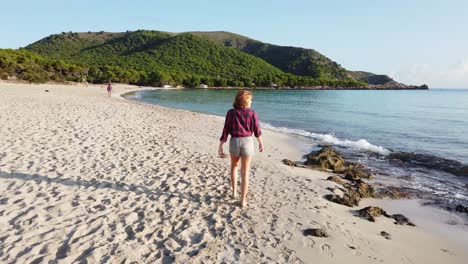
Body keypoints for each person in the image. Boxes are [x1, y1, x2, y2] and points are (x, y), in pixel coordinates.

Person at [218, 90, 263, 208]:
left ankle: (234, 193)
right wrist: (260, 143)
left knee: (234, 166)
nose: (251, 101)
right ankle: (243, 200)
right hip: (248, 141)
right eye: (250, 99)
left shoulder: (230, 113)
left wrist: (221, 145)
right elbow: (257, 130)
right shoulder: (252, 113)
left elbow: (225, 130)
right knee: (245, 172)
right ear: (245, 100)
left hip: (234, 141)